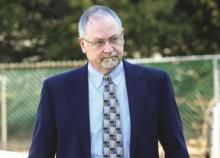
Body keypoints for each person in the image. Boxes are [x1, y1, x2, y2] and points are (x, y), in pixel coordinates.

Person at [28, 5, 189, 158]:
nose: (109, 49)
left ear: (123, 36)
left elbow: (176, 149)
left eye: (114, 39)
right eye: (99, 42)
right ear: (83, 44)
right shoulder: (56, 89)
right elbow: (41, 152)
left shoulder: (155, 83)